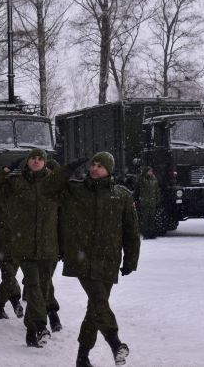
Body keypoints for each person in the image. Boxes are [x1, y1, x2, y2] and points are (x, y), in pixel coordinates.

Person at [43, 152, 140, 367]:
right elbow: (47, 188)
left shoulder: (121, 196)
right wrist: (68, 167)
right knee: (98, 301)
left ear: (110, 170)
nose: (95, 168)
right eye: (93, 164)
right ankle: (116, 343)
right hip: (82, 258)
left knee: (95, 308)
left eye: (100, 166)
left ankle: (82, 357)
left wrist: (131, 260)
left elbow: (131, 231)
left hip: (108, 259)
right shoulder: (75, 190)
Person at [0, 149, 60, 348]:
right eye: (32, 158)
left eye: (40, 159)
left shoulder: (53, 184)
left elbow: (67, 216)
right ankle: (41, 326)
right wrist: (5, 170)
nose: (36, 161)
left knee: (42, 289)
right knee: (34, 285)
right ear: (27, 162)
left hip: (47, 246)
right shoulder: (15, 182)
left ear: (45, 162)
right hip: (23, 245)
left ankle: (30, 329)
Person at [135, 166, 161, 239]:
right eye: (149, 171)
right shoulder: (141, 179)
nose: (151, 172)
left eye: (151, 171)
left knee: (152, 219)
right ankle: (145, 234)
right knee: (145, 219)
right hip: (144, 203)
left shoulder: (154, 180)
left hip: (152, 203)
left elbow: (157, 191)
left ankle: (152, 233)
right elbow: (137, 190)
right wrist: (136, 200)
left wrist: (158, 200)